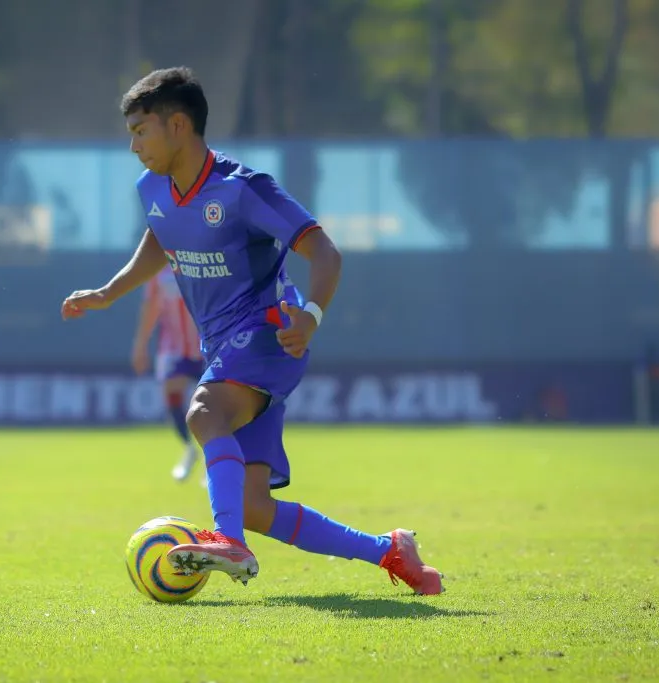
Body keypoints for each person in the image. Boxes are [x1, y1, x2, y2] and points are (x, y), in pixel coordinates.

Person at [62, 67, 443, 595]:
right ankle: (390, 550)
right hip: (224, 346)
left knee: (203, 411)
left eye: (140, 131)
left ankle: (226, 539)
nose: (133, 145)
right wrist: (109, 291)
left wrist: (311, 315)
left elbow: (323, 251)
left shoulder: (243, 190)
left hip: (271, 333)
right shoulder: (151, 187)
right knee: (255, 506)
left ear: (178, 125)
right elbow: (161, 234)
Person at [131, 265, 205, 483]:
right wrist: (141, 344)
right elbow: (151, 305)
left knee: (212, 402)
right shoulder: (157, 266)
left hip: (206, 344)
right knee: (172, 391)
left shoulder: (201, 255)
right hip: (173, 346)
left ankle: (214, 461)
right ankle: (189, 448)